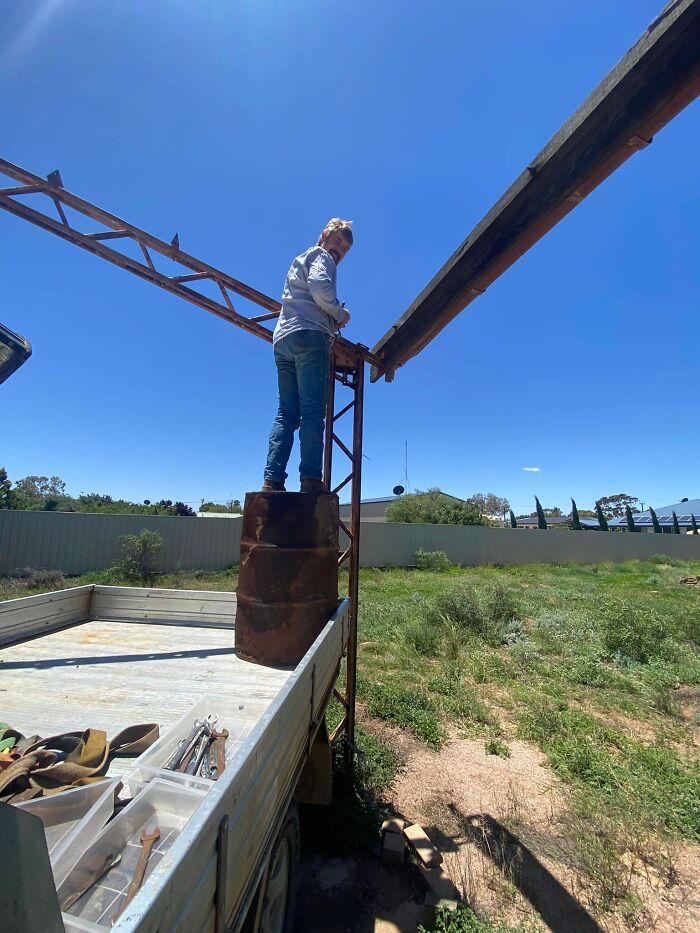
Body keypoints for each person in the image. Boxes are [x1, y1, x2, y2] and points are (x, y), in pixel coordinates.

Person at [262, 219, 353, 493]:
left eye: (345, 249)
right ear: (324, 235)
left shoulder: (299, 260)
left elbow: (305, 295)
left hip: (283, 340)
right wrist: (339, 313)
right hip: (309, 337)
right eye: (338, 241)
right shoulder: (321, 256)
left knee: (286, 412)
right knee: (313, 410)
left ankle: (272, 481)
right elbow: (319, 285)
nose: (339, 250)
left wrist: (331, 318)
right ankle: (311, 480)